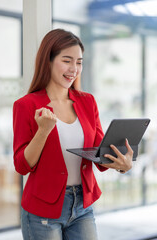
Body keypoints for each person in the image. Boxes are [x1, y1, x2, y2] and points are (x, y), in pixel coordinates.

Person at [13, 29, 133, 240]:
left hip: (82, 206)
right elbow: (22, 166)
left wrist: (122, 164)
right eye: (67, 60)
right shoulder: (26, 105)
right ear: (47, 61)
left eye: (79, 62)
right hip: (43, 211)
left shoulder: (87, 102)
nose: (74, 69)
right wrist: (43, 131)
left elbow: (98, 152)